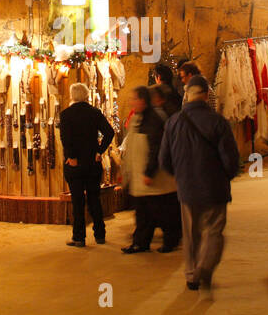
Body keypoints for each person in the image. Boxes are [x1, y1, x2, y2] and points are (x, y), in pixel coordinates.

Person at [158, 75, 240, 294]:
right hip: (215, 187)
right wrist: (227, 176)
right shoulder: (218, 122)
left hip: (187, 187)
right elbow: (231, 159)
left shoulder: (173, 122)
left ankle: (192, 275)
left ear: (188, 95)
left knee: (192, 234)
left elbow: (164, 159)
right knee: (214, 231)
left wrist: (179, 176)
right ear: (205, 96)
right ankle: (205, 267)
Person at [121, 86, 182, 254]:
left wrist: (149, 172)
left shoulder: (154, 119)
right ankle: (140, 242)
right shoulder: (137, 118)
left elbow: (156, 148)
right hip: (141, 177)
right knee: (143, 213)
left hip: (154, 178)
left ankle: (171, 240)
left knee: (162, 212)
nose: (131, 102)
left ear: (142, 100)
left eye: (134, 98)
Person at [59, 82, 115, 246]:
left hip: (75, 164)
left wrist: (71, 156)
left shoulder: (66, 114)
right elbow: (109, 132)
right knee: (94, 199)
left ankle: (79, 237)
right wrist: (99, 151)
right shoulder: (94, 113)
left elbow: (65, 138)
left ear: (72, 95)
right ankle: (100, 234)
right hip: (92, 161)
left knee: (77, 201)